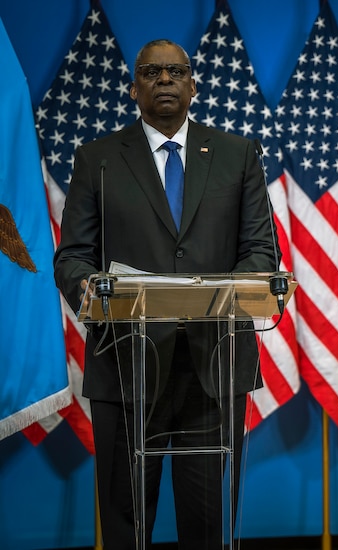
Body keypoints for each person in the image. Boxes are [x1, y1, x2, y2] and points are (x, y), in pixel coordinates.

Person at [53, 39, 280, 549]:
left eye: (175, 71)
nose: (164, 80)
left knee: (206, 523)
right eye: (151, 72)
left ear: (193, 85)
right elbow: (71, 257)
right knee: (125, 520)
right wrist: (89, 287)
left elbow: (261, 252)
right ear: (133, 88)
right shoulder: (99, 160)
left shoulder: (236, 155)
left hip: (212, 363)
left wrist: (224, 294)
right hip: (125, 360)